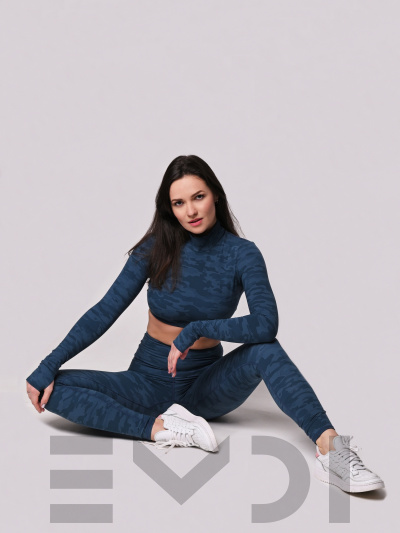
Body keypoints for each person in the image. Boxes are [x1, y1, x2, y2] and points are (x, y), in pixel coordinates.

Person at [26, 155, 384, 494]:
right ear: (169, 208)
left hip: (205, 388)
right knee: (52, 389)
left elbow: (265, 324)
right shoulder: (155, 248)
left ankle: (331, 449)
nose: (191, 211)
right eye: (179, 203)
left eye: (198, 197)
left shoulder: (242, 253)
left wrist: (198, 329)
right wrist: (48, 364)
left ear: (216, 195)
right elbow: (105, 310)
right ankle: (162, 430)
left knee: (266, 351)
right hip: (146, 381)